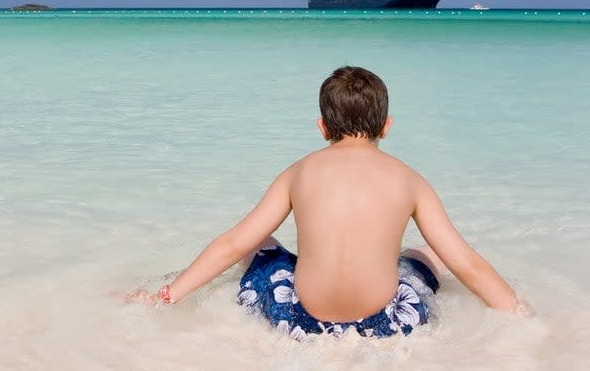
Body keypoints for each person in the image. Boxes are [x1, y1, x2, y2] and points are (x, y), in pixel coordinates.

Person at [127, 66, 521, 339]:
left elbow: (233, 244)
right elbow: (466, 263)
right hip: (388, 323)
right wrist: (519, 315)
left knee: (261, 242)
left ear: (322, 127)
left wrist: (167, 296)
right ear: (387, 126)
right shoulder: (410, 180)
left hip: (297, 319)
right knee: (426, 251)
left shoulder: (299, 172)